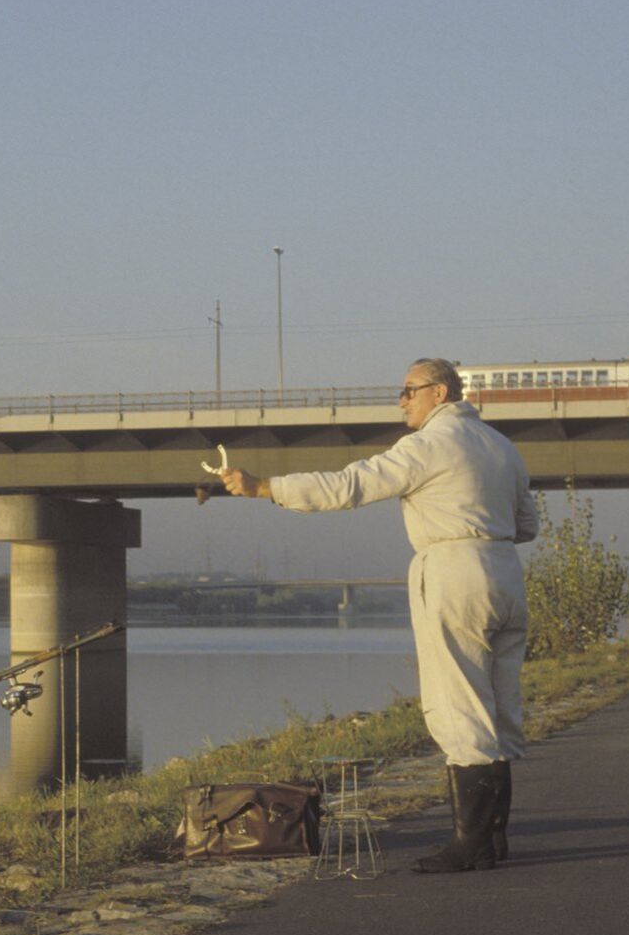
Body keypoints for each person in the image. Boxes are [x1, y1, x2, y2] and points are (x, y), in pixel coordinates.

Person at [217, 358, 537, 872]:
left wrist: (264, 488)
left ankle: (472, 846)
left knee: (459, 706)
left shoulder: (429, 445)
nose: (401, 400)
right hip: (504, 569)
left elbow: (349, 486)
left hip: (453, 569)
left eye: (408, 390)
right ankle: (493, 840)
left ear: (438, 392)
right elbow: (527, 525)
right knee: (499, 708)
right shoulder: (503, 447)